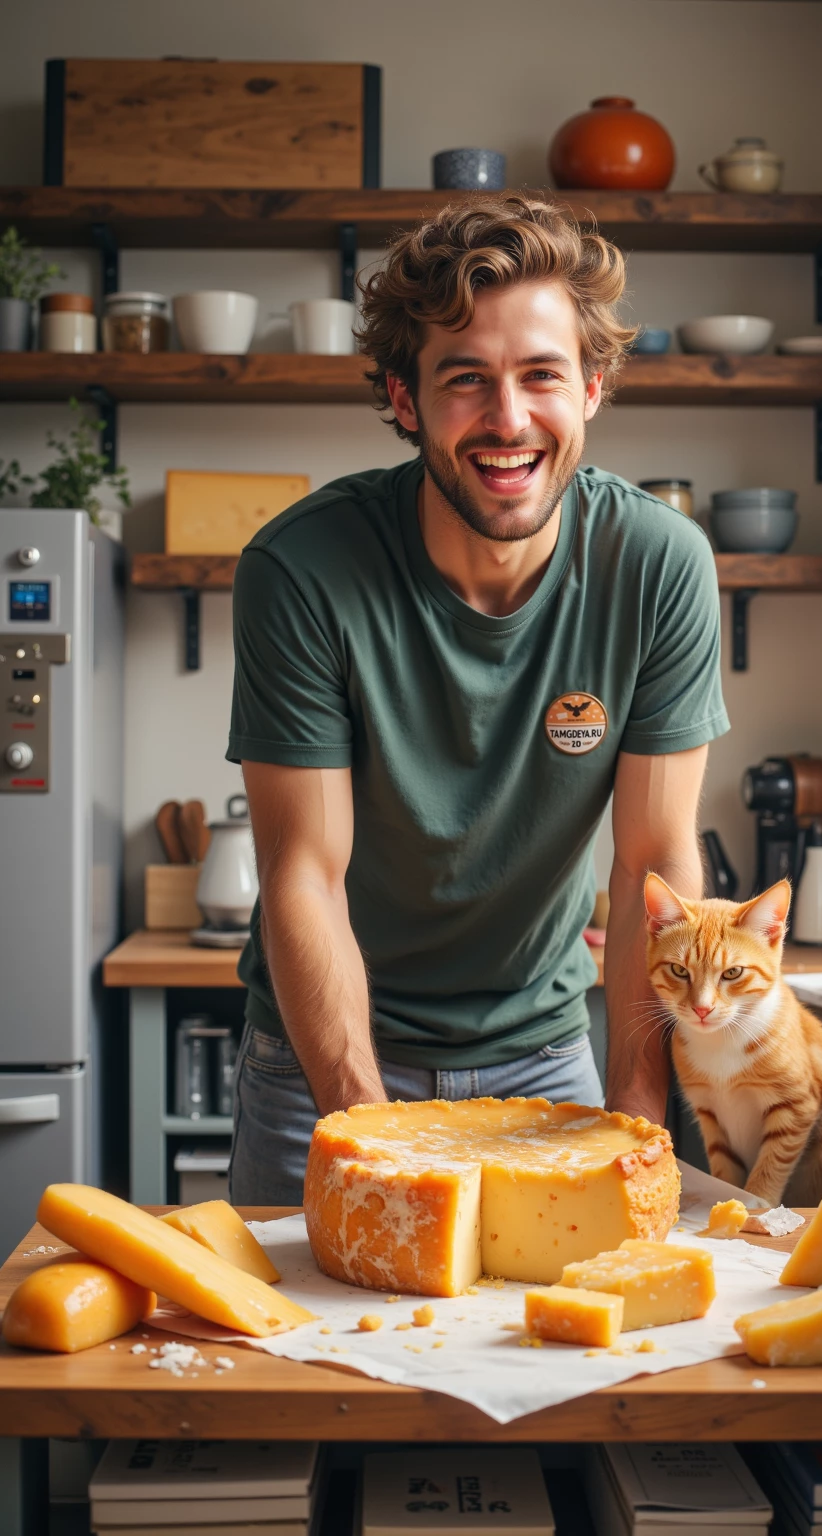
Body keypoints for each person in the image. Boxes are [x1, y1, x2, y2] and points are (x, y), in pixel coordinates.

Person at [227, 194, 729, 1205]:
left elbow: (651, 865)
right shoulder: (302, 568)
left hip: (543, 1062)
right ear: (404, 399)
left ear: (590, 388)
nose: (507, 420)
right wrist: (362, 1126)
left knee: (566, 1353)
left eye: (540, 375)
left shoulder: (657, 564)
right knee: (305, 1359)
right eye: (465, 381)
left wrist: (637, 1117)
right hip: (319, 1059)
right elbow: (302, 875)